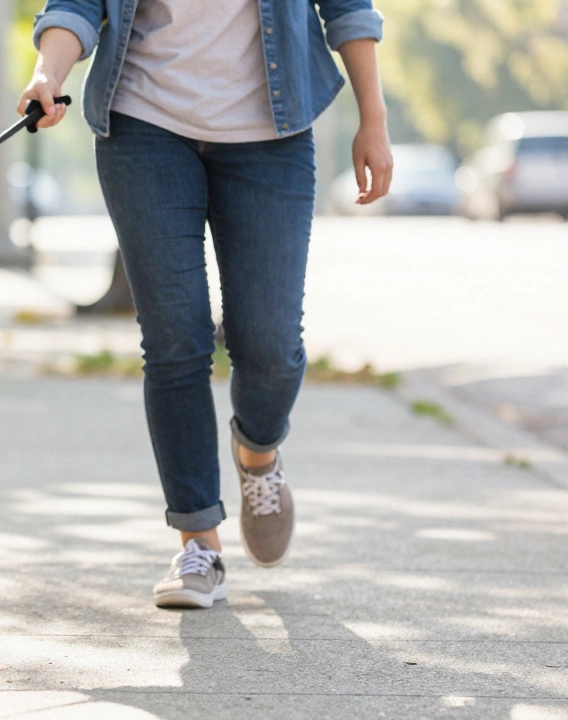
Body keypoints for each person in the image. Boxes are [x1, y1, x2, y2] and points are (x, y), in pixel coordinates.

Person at [20, 0, 392, 608]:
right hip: (143, 126)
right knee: (175, 340)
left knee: (269, 344)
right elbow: (78, 5)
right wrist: (49, 72)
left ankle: (258, 450)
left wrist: (372, 117)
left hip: (272, 132)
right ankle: (200, 544)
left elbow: (347, 8)